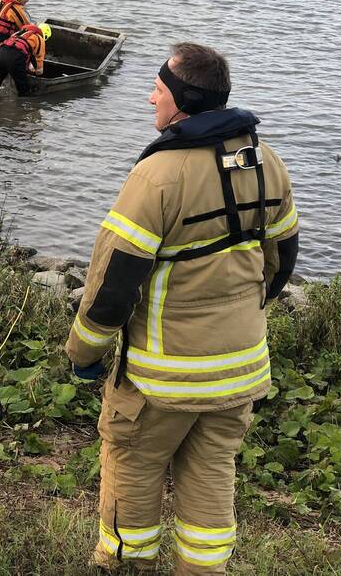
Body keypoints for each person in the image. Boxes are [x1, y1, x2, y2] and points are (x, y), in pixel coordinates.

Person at [65, 43, 299, 575]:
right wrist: (247, 310)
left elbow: (113, 283)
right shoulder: (267, 162)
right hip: (238, 369)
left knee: (133, 470)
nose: (151, 99)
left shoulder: (158, 176)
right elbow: (282, 259)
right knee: (212, 474)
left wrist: (84, 352)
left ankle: (124, 566)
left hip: (161, 380)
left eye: (157, 90)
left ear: (183, 101)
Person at [0, 22, 50, 98]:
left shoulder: (20, 32)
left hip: (1, 53)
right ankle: (22, 104)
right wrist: (36, 73)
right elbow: (39, 64)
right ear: (45, 35)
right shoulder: (40, 39)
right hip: (16, 57)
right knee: (24, 90)